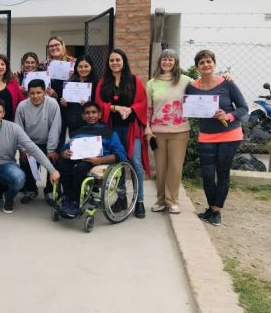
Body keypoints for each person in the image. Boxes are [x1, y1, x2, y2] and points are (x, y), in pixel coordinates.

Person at [186, 50, 248, 226]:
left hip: (230, 135)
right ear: (197, 67)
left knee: (222, 173)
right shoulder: (191, 86)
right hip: (206, 136)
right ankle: (211, 207)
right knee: (206, 174)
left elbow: (243, 107)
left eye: (208, 61)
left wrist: (227, 116)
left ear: (214, 64)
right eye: (202, 62)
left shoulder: (227, 84)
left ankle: (217, 211)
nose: (206, 65)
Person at [0, 98, 61, 214]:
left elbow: (33, 148)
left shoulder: (14, 128)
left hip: (7, 165)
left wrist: (52, 170)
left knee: (19, 177)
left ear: (3, 114)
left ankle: (9, 197)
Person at [95, 49, 150, 218]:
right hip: (111, 129)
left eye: (118, 60)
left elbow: (142, 102)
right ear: (108, 63)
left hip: (132, 127)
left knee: (135, 161)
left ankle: (139, 200)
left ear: (124, 61)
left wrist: (130, 109)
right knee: (118, 161)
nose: (115, 63)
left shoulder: (134, 81)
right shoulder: (103, 82)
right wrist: (114, 107)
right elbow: (98, 102)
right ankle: (121, 198)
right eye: (111, 60)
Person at [145, 49, 193, 214]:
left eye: (170, 59)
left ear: (175, 62)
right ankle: (160, 200)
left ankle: (172, 200)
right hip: (157, 132)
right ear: (160, 62)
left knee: (175, 167)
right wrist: (147, 128)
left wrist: (225, 78)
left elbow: (205, 87)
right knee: (160, 168)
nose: (167, 62)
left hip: (179, 131)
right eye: (164, 59)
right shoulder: (151, 83)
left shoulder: (186, 81)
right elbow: (148, 109)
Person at [58, 101, 127, 217]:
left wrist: (100, 160)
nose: (91, 115)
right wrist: (64, 153)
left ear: (99, 115)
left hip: (98, 161)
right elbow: (65, 149)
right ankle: (67, 197)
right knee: (63, 164)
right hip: (78, 158)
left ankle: (75, 201)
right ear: (83, 116)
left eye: (94, 112)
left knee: (80, 168)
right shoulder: (77, 132)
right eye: (87, 113)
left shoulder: (109, 132)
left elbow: (120, 154)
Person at [14, 79, 61, 204]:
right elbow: (19, 129)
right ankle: (30, 190)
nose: (35, 96)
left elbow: (55, 127)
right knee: (25, 162)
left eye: (39, 93)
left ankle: (50, 191)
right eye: (32, 93)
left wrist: (51, 149)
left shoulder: (53, 104)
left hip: (47, 141)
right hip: (29, 142)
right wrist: (23, 149)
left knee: (53, 159)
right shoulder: (22, 106)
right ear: (28, 93)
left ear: (45, 92)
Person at [60, 54, 99, 141]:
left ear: (91, 67)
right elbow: (66, 106)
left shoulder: (97, 83)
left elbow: (98, 103)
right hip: (72, 123)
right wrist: (64, 103)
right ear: (76, 68)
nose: (83, 69)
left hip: (89, 122)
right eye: (80, 66)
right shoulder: (69, 83)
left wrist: (89, 104)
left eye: (86, 66)